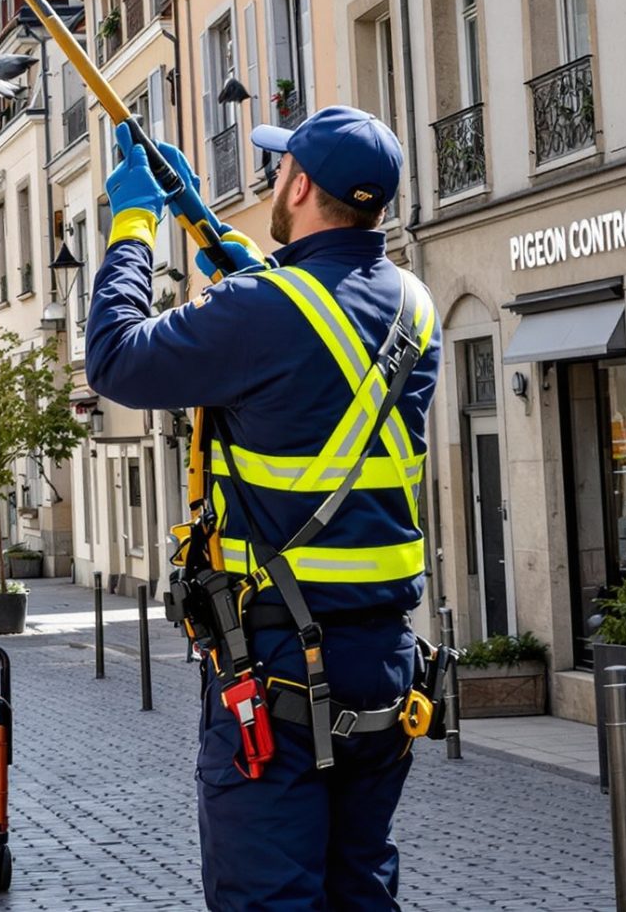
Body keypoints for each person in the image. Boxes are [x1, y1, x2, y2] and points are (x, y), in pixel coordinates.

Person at [84, 108, 440, 912]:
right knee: (360, 890)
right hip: (382, 670)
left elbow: (113, 356)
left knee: (269, 899)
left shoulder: (264, 312)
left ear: (301, 184)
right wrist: (215, 237)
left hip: (276, 671)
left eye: (280, 168)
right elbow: (311, 338)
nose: (275, 178)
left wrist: (137, 219)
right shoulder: (416, 307)